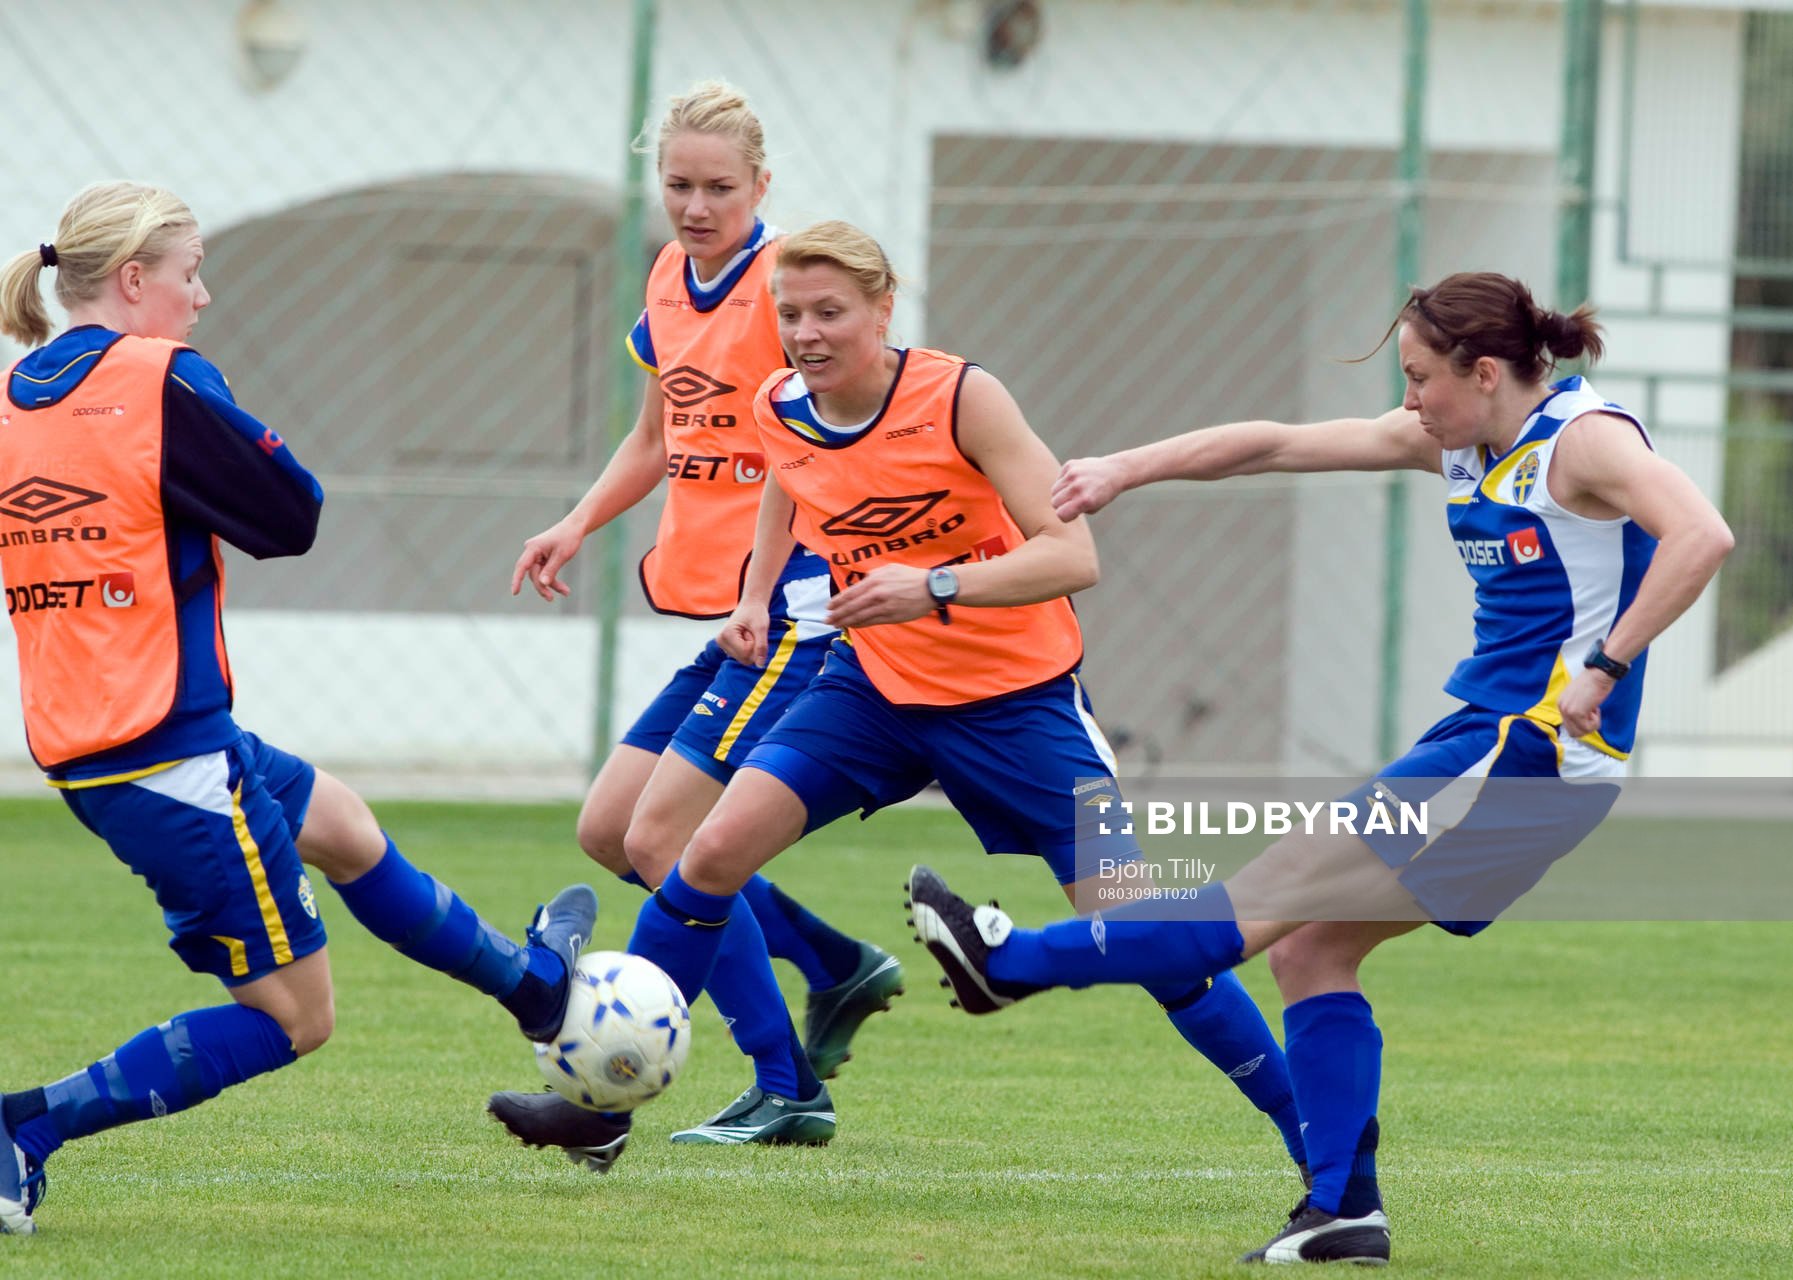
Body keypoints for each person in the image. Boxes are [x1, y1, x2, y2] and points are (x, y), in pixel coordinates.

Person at [904, 271, 1736, 1266]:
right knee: (1309, 951)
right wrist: (1124, 468)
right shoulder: (1460, 440)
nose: (1410, 399)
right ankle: (1342, 1209)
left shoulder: (1584, 440)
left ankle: (1009, 960)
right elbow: (1276, 443)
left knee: (1258, 901)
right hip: (1486, 750)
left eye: (1421, 377)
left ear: (1483, 371)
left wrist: (1604, 664)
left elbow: (1701, 533)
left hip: (1525, 756)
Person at [615, 219, 1311, 1178]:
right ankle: (606, 1099)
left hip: (1015, 703)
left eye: (830, 313)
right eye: (790, 315)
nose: (807, 334)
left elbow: (1073, 557)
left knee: (1151, 936)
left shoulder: (960, 397)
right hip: (870, 687)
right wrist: (750, 594)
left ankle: (1311, 1137)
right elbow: (788, 479)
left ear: (884, 307)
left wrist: (930, 585)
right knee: (710, 853)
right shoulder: (782, 401)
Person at [0, 182, 598, 1238]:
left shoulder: (13, 395)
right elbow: (294, 516)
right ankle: (25, 1127)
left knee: (346, 827)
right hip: (167, 755)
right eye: (190, 273)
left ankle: (540, 993)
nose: (203, 295)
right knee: (293, 1016)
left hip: (109, 741)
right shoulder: (157, 378)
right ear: (135, 281)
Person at [491, 82, 901, 1163]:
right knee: (609, 830)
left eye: (720, 186)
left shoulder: (790, 291)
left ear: (761, 186)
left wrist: (776, 586)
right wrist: (575, 521)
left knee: (662, 837)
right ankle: (833, 960)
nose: (696, 204)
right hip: (728, 612)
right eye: (677, 184)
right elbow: (658, 434)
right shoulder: (669, 279)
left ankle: (786, 1084)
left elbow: (839, 441)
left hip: (794, 609)